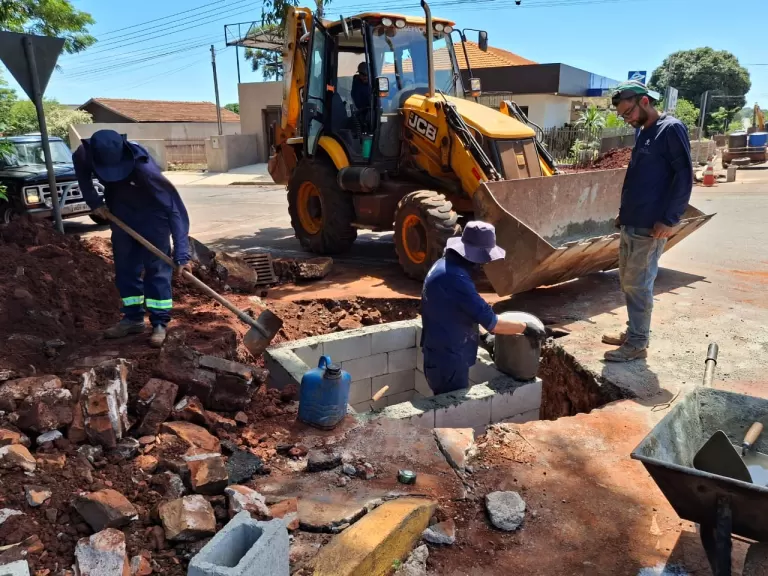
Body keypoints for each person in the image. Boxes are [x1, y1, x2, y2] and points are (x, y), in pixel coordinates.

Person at [73, 129, 191, 348]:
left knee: (156, 269)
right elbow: (83, 179)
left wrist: (182, 252)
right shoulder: (83, 154)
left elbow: (174, 209)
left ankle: (159, 323)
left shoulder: (143, 167)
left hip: (153, 217)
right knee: (125, 268)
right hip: (120, 215)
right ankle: (133, 319)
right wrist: (94, 203)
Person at [603, 81, 693, 362]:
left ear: (644, 101)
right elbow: (636, 178)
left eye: (627, 111)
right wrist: (624, 212)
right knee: (628, 281)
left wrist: (670, 219)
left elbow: (684, 176)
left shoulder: (671, 129)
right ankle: (634, 332)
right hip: (633, 220)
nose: (626, 118)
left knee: (639, 283)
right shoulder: (643, 132)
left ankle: (638, 344)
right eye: (622, 115)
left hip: (651, 224)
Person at [420, 221, 547, 395]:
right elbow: (493, 322)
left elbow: (460, 311)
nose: (484, 264)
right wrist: (526, 328)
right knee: (452, 415)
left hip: (440, 354)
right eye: (484, 258)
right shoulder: (456, 278)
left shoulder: (444, 266)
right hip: (448, 362)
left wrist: (484, 336)